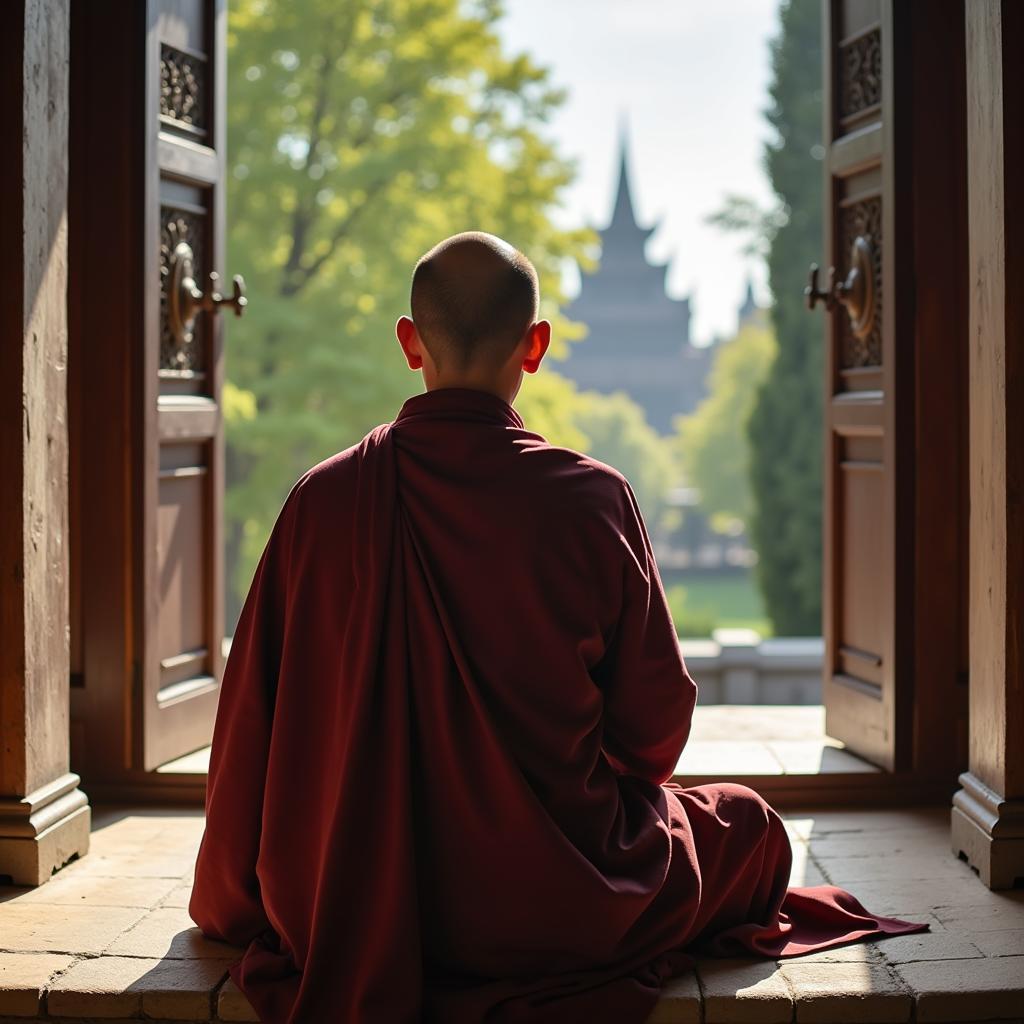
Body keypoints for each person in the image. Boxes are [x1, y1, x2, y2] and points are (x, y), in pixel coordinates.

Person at [189, 231, 925, 1024]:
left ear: (410, 342)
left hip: (357, 899)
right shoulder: (593, 500)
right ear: (535, 346)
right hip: (561, 905)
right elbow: (652, 741)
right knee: (748, 829)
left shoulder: (321, 501)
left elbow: (249, 733)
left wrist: (242, 893)